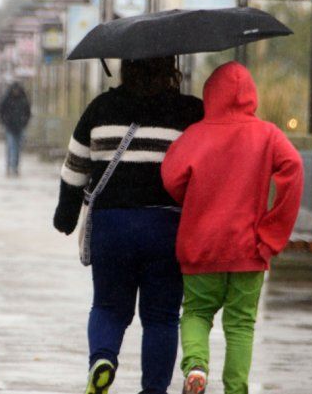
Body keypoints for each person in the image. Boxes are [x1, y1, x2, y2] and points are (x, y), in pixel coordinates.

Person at [52, 57, 204, 394]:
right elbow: (206, 168)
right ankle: (153, 389)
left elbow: (75, 168)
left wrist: (66, 216)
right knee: (161, 317)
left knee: (108, 306)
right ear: (171, 70)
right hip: (166, 227)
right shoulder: (191, 112)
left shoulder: (101, 108)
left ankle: (103, 361)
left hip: (112, 225)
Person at [161, 62, 304, 394]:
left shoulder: (195, 134)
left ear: (211, 94)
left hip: (200, 247)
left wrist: (194, 196)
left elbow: (170, 177)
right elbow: (293, 168)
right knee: (240, 326)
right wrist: (272, 234)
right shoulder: (268, 134)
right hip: (249, 249)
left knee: (196, 313)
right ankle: (236, 389)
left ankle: (196, 366)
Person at [0, 82, 32, 176]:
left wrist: (24, 122)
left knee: (18, 148)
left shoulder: (23, 100)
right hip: (9, 127)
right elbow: (0, 110)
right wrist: (4, 121)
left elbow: (28, 113)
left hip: (20, 127)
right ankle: (10, 166)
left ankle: (15, 166)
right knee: (11, 147)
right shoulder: (7, 99)